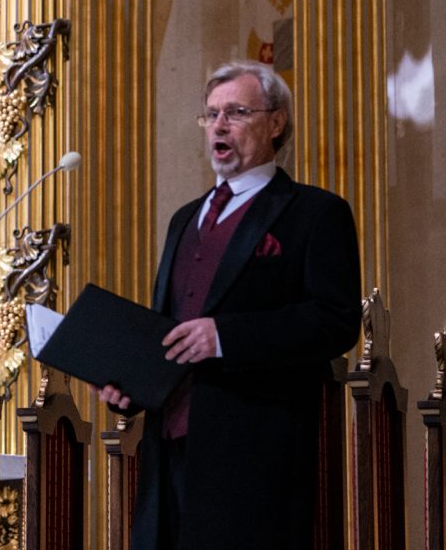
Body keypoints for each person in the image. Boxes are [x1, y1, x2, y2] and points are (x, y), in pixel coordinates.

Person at [98, 60, 361, 550]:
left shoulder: (315, 213)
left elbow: (335, 320)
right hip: (167, 455)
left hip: (254, 459)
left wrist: (225, 337)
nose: (219, 126)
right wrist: (133, 385)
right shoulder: (184, 218)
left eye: (237, 112)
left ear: (276, 122)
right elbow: (173, 328)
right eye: (212, 114)